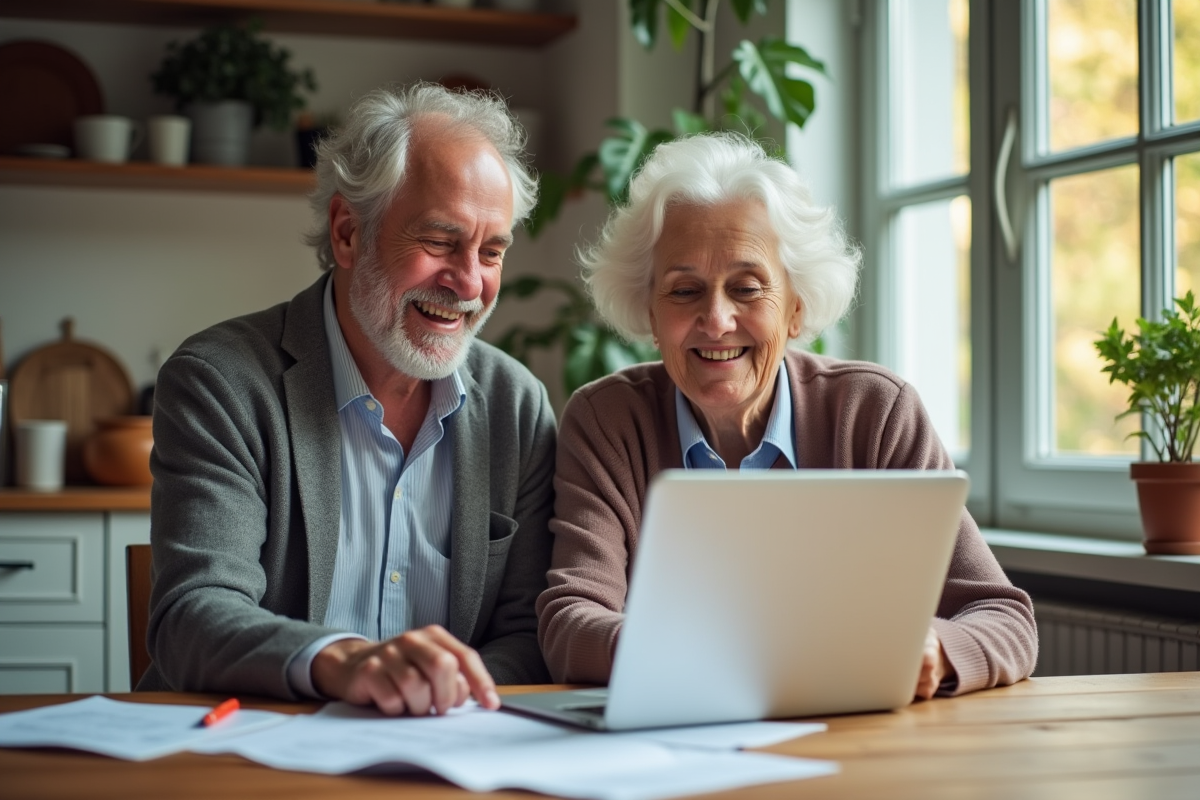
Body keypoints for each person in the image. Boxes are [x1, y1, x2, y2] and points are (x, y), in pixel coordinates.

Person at [536, 132, 1037, 699]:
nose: (717, 319)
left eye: (747, 288)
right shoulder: (607, 421)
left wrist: (938, 651)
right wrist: (719, 657)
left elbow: (1004, 617)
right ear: (648, 311)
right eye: (684, 291)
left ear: (796, 308)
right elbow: (569, 624)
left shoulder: (874, 412)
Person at [139, 83, 557, 716]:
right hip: (246, 755)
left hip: (444, 758)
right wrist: (343, 661)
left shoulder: (517, 406)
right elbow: (193, 616)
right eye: (440, 243)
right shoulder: (221, 381)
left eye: (491, 251)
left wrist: (445, 700)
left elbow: (527, 632)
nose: (470, 282)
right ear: (346, 233)